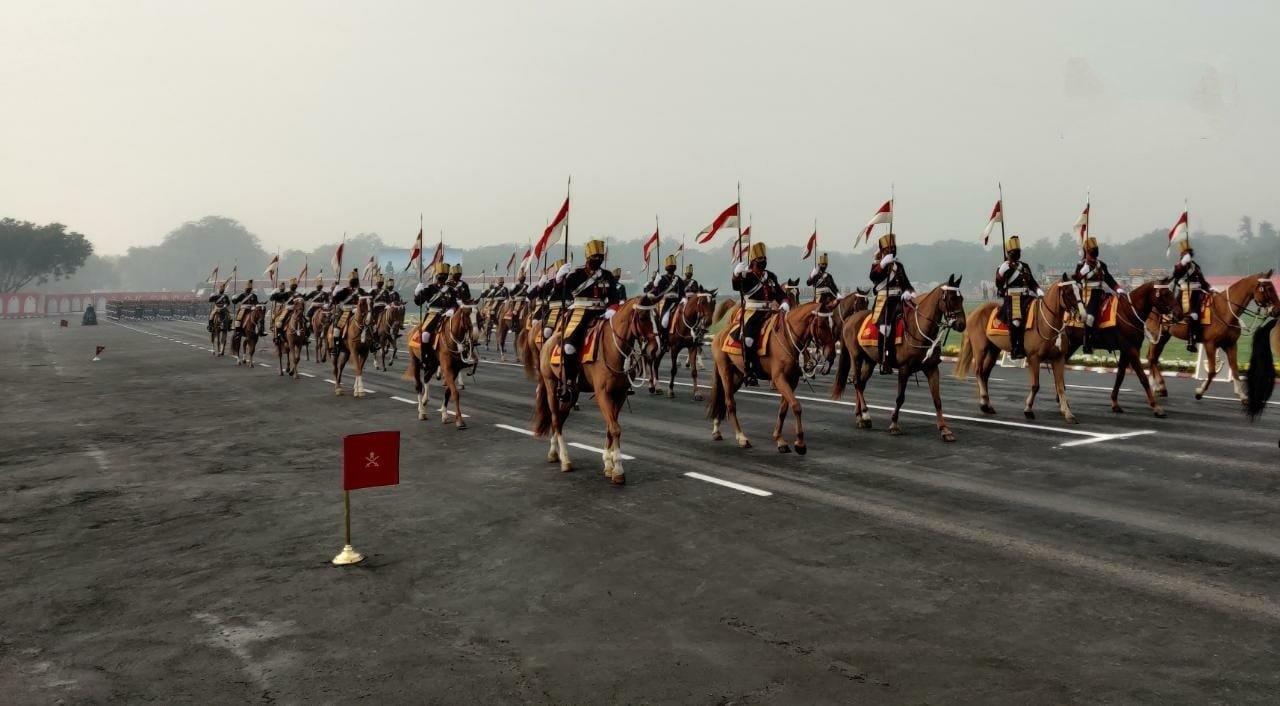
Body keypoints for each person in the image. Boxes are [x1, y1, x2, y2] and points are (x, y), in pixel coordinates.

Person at [552, 240, 619, 402]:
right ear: (588, 257)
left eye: (600, 256)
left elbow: (614, 296)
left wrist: (612, 309)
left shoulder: (607, 275)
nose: (598, 258)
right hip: (580, 313)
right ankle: (568, 381)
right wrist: (560, 278)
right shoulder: (576, 275)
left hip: (602, 313)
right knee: (568, 346)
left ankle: (621, 379)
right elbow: (559, 291)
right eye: (595, 255)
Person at [731, 242, 786, 386]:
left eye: (764, 260)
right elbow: (736, 286)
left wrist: (785, 302)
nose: (763, 263)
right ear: (753, 262)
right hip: (752, 312)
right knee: (749, 339)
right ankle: (749, 370)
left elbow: (779, 294)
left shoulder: (771, 276)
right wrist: (736, 275)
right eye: (759, 260)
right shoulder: (746, 276)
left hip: (770, 311)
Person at [868, 233, 914, 374]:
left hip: (899, 301)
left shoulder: (898, 265)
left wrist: (909, 292)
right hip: (885, 302)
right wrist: (882, 264)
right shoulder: (878, 265)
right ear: (883, 251)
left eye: (893, 248)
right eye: (888, 248)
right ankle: (884, 360)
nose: (892, 250)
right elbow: (873, 277)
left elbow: (907, 282)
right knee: (885, 329)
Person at [994, 236, 1045, 360]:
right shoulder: (1004, 267)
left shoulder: (1025, 266)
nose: (1017, 254)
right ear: (1008, 253)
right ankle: (1016, 348)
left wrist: (1039, 291)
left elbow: (1032, 282)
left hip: (1027, 297)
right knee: (1016, 322)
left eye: (1018, 251)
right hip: (1013, 298)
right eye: (1014, 252)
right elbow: (998, 284)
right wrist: (1001, 273)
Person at [1072, 236, 1123, 354]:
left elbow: (1109, 279)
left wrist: (1118, 289)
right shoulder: (1081, 264)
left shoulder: (1101, 265)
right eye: (1091, 253)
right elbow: (1076, 280)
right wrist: (1082, 272)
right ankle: (1087, 343)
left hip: (1101, 293)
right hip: (1088, 294)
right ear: (1087, 252)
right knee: (1089, 318)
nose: (1093, 256)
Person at [1171, 240, 1210, 352]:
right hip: (1185, 295)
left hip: (1198, 293)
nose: (1189, 255)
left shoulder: (1195, 266)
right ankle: (1191, 340)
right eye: (1186, 253)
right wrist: (1183, 263)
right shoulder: (1181, 265)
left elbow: (1202, 281)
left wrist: (1209, 288)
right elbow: (1176, 274)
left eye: (1189, 253)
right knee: (1193, 315)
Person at [412, 262, 457, 350]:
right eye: (440, 274)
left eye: (445, 274)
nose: (442, 276)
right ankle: (426, 356)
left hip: (447, 316)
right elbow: (418, 302)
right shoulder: (430, 288)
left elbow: (454, 303)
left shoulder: (451, 290)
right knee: (425, 335)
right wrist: (417, 293)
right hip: (432, 316)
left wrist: (452, 309)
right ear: (436, 275)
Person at [645, 254, 684, 346]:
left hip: (678, 302)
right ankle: (664, 338)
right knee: (664, 321)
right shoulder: (661, 279)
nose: (672, 267)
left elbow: (682, 292)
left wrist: (684, 299)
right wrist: (655, 284)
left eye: (673, 266)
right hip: (666, 303)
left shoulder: (678, 279)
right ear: (666, 267)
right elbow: (656, 292)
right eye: (670, 266)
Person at [330, 270, 368, 345]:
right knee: (338, 324)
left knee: (368, 324)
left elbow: (368, 298)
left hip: (358, 311)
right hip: (346, 310)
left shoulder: (361, 291)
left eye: (355, 280)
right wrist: (335, 292)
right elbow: (334, 300)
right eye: (353, 280)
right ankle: (336, 342)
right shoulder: (344, 291)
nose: (354, 282)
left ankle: (371, 342)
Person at [269, 278, 301, 342]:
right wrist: (274, 293)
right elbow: (272, 298)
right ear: (290, 286)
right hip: (288, 309)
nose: (294, 286)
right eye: (293, 285)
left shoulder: (299, 294)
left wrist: (305, 295)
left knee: (305, 322)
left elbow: (304, 299)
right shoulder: (287, 293)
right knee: (279, 322)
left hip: (296, 310)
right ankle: (278, 335)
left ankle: (305, 336)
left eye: (295, 285)